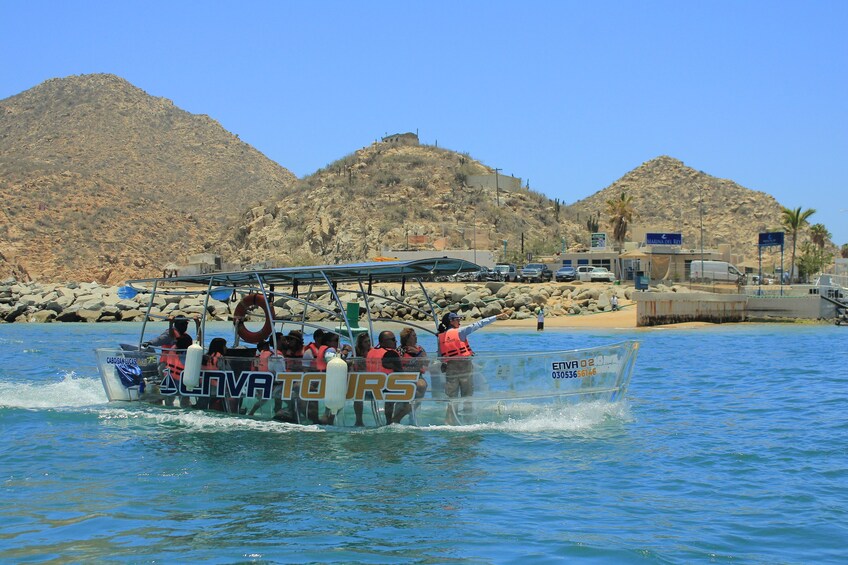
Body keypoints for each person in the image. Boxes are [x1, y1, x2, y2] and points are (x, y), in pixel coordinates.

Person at [438, 309, 512, 424]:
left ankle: (450, 421)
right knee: (467, 397)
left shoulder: (441, 337)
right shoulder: (460, 332)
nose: (460, 321)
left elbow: (441, 356)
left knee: (452, 399)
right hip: (464, 367)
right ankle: (468, 421)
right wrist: (496, 316)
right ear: (451, 321)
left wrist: (444, 365)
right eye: (458, 319)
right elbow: (478, 324)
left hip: (450, 368)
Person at [366, 330, 404, 425]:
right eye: (393, 339)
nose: (396, 341)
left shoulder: (371, 352)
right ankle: (394, 420)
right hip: (386, 387)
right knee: (417, 392)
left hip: (370, 387)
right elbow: (401, 372)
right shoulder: (391, 353)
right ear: (382, 342)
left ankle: (389, 421)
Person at [398, 327, 429, 422]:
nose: (416, 337)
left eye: (416, 335)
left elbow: (427, 362)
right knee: (410, 393)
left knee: (422, 386)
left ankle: (411, 411)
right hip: (404, 376)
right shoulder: (400, 350)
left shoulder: (420, 349)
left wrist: (418, 353)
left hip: (417, 375)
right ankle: (402, 413)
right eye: (413, 336)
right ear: (407, 338)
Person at [351, 332, 373, 426]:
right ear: (360, 343)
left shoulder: (373, 352)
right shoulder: (355, 353)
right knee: (358, 395)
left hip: (371, 379)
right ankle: (359, 420)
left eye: (369, 341)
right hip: (359, 379)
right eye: (365, 342)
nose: (368, 343)